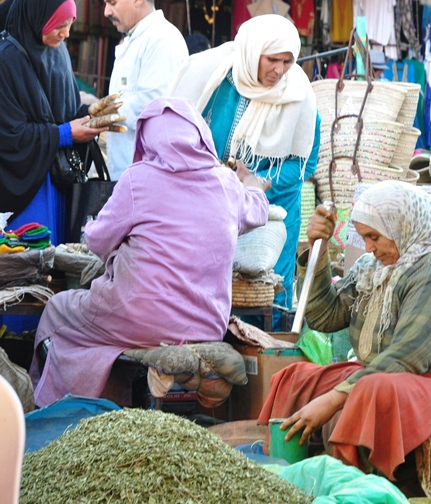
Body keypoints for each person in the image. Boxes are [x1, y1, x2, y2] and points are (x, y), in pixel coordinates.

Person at [257, 181, 431, 497]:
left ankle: (356, 485)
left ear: (403, 227)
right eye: (365, 238)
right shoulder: (372, 266)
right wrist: (315, 248)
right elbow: (325, 317)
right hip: (386, 372)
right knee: (296, 377)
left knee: (371, 389)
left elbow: (407, 356)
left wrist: (334, 398)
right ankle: (293, 474)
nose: (369, 247)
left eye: (374, 237)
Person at [29, 97, 270, 408]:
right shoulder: (227, 183)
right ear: (200, 135)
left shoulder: (138, 179)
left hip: (138, 319)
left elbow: (98, 241)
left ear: (146, 139)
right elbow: (259, 210)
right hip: (206, 324)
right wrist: (250, 183)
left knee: (59, 309)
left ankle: (52, 405)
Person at [170, 14, 319, 328]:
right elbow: (182, 130)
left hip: (271, 213)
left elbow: (305, 164)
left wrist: (258, 183)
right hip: (212, 204)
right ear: (253, 53)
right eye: (272, 60)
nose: (279, 71)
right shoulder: (219, 80)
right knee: (209, 292)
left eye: (288, 61)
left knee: (266, 297)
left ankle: (266, 368)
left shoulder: (300, 95)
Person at [0, 0, 106, 244]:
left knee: (57, 263)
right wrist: (66, 133)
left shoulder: (58, 54)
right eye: (59, 24)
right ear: (37, 18)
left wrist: (89, 114)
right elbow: (10, 135)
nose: (66, 33)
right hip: (28, 186)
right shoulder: (6, 60)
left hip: (59, 179)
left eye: (69, 23)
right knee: (29, 261)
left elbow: (63, 110)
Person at [101, 0, 188, 180]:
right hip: (130, 176)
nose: (106, 12)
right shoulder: (137, 37)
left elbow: (152, 107)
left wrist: (99, 114)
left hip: (149, 178)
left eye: (112, 2)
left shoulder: (162, 39)